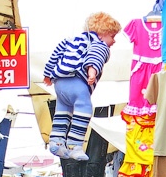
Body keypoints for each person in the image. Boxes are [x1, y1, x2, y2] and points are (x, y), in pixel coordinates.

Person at [43, 12, 122, 160]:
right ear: (102, 34)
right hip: (77, 80)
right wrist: (92, 71)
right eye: (112, 36)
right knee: (84, 109)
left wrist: (47, 75)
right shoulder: (99, 44)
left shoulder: (70, 40)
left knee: (63, 110)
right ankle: (75, 145)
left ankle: (56, 141)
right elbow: (95, 55)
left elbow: (56, 54)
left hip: (59, 82)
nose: (114, 41)